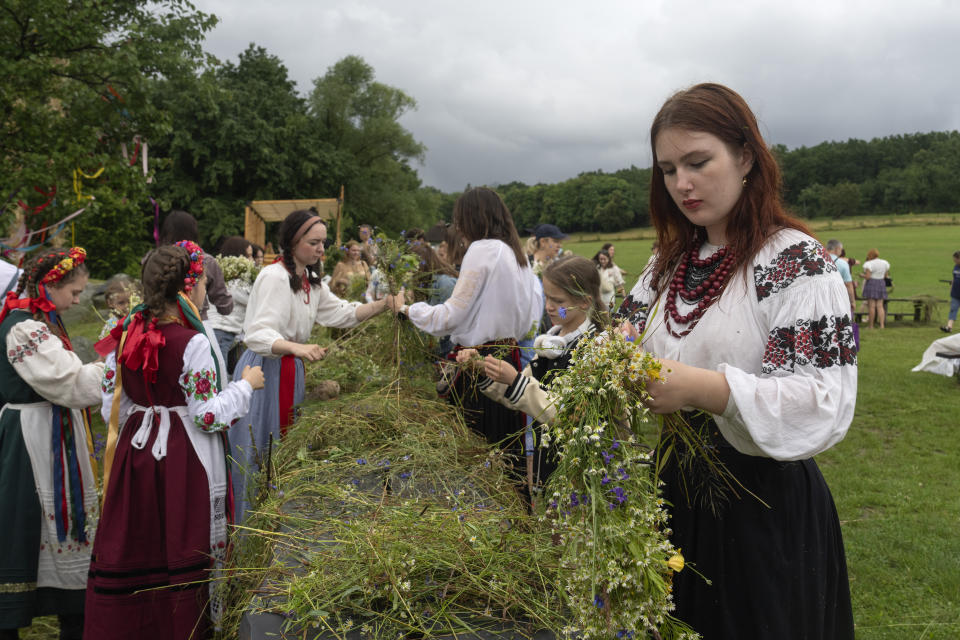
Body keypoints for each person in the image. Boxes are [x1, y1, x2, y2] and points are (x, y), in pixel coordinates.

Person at [617, 83, 855, 638]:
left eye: (698, 162)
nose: (682, 183)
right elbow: (619, 344)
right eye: (668, 169)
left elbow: (822, 400)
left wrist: (703, 389)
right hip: (675, 486)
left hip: (761, 503)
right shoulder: (667, 263)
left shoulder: (794, 261)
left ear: (745, 156)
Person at [86, 242, 263, 639]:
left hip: (136, 457)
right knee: (183, 541)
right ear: (192, 287)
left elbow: (109, 407)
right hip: (184, 459)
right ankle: (184, 627)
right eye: (202, 282)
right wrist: (245, 387)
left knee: (142, 539)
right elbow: (206, 415)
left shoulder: (126, 334)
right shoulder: (194, 342)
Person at [229, 210, 400, 522]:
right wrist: (297, 347)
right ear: (293, 242)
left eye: (323, 242)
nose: (321, 249)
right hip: (263, 372)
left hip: (289, 371)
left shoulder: (310, 281)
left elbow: (341, 313)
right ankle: (248, 525)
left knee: (281, 449)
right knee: (258, 451)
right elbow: (257, 333)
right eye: (314, 242)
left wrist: (382, 305)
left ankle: (272, 518)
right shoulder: (274, 277)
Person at [390, 187, 542, 452]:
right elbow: (531, 317)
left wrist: (406, 309)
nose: (458, 228)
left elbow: (450, 316)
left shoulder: (482, 249)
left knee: (478, 453)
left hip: (479, 363)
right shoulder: (516, 254)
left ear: (472, 218)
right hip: (508, 359)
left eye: (459, 220)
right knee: (505, 449)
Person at [0, 247, 102, 640]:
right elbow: (70, 382)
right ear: (49, 285)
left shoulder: (43, 321)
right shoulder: (23, 327)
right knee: (24, 525)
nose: (78, 299)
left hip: (53, 432)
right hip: (31, 442)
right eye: (73, 292)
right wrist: (116, 364)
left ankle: (72, 616)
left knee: (63, 526)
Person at [457, 255, 605, 499]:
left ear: (584, 302)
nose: (548, 306)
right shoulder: (549, 343)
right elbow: (518, 396)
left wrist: (516, 381)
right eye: (547, 297)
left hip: (577, 466)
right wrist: (484, 371)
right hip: (546, 457)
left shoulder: (594, 349)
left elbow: (566, 415)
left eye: (558, 301)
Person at [159, 210, 233, 322]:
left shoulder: (154, 261)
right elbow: (225, 307)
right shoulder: (205, 260)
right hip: (196, 323)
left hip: (159, 326)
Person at [208, 235, 257, 373]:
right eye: (248, 256)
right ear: (237, 257)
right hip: (221, 332)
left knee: (227, 375)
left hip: (227, 334)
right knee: (220, 377)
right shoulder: (234, 282)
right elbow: (255, 300)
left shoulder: (231, 277)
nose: (252, 260)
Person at [860, 248, 891, 329]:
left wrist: (861, 275)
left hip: (871, 283)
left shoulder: (868, 264)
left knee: (871, 306)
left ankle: (871, 326)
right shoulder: (885, 263)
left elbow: (868, 277)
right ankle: (882, 325)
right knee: (880, 306)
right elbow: (885, 276)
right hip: (881, 283)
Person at [826, 239, 856, 317]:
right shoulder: (843, 264)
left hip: (822, 298)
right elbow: (848, 285)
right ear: (837, 249)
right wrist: (852, 301)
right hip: (839, 298)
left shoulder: (818, 261)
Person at [942, 250, 960, 333]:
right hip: (955, 294)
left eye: (956, 259)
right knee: (953, 309)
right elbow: (954, 278)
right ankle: (949, 327)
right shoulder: (956, 267)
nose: (954, 261)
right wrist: (952, 287)